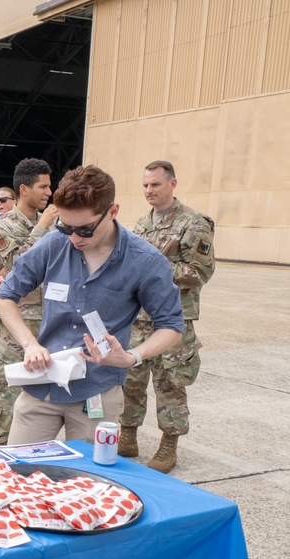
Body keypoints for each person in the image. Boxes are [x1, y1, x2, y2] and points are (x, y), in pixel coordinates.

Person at [0, 165, 184, 444]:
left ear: (112, 211)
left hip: (97, 390)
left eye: (84, 230)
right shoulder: (54, 244)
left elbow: (171, 326)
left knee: (87, 481)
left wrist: (133, 357)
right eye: (66, 226)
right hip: (43, 385)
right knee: (21, 473)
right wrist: (29, 344)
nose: (74, 238)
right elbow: (4, 295)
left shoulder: (145, 261)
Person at [120, 160, 215, 473]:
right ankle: (128, 435)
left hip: (172, 318)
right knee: (130, 379)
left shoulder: (193, 223)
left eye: (156, 184)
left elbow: (200, 272)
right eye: (146, 185)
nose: (149, 190)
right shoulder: (142, 222)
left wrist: (154, 271)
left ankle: (168, 444)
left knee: (169, 382)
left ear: (173, 184)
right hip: (138, 316)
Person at [0, 158, 58, 445]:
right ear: (24, 189)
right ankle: (0, 448)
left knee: (44, 397)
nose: (48, 193)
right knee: (6, 389)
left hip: (50, 322)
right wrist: (40, 228)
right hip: (14, 326)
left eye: (50, 186)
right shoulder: (1, 227)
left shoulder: (56, 227)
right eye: (43, 186)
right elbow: (16, 265)